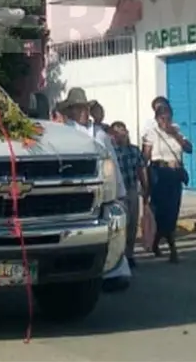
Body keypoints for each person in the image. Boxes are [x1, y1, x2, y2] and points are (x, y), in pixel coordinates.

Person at [58, 88, 131, 291]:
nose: (82, 112)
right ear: (71, 111)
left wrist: (121, 191)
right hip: (80, 190)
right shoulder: (66, 132)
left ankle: (115, 272)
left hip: (105, 188)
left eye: (84, 108)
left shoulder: (100, 133)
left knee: (111, 230)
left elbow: (113, 163)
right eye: (77, 108)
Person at [141, 100, 192, 262]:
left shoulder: (176, 130)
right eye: (162, 118)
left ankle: (160, 243)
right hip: (159, 174)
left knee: (173, 211)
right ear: (157, 119)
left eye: (168, 118)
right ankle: (171, 247)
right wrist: (144, 180)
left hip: (175, 174)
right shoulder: (151, 132)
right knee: (162, 212)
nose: (166, 121)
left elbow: (189, 148)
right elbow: (146, 157)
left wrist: (174, 134)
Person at [110, 121, 148, 268]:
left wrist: (145, 187)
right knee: (120, 225)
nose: (121, 134)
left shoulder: (134, 150)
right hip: (118, 192)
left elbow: (141, 169)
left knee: (132, 224)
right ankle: (118, 256)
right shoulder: (112, 151)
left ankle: (130, 254)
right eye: (117, 131)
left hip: (132, 189)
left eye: (122, 130)